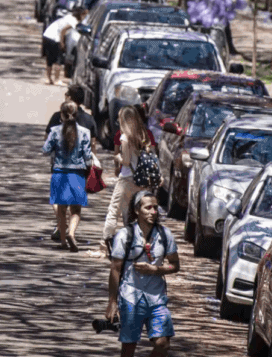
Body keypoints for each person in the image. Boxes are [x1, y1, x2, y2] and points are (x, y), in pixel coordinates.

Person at [104, 190, 180, 357]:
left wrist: (156, 269)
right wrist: (112, 302)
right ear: (137, 210)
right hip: (131, 297)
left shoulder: (165, 235)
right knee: (129, 347)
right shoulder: (125, 235)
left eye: (155, 208)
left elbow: (175, 265)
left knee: (163, 344)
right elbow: (115, 269)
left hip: (157, 299)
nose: (153, 212)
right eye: (148, 208)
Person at [45, 85, 99, 240]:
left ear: (69, 97)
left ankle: (61, 226)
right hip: (80, 167)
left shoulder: (57, 117)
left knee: (58, 200)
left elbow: (47, 143)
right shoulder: (88, 119)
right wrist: (91, 162)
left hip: (59, 166)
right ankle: (69, 231)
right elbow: (93, 144)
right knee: (75, 205)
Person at [97, 106, 151, 256]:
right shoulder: (143, 135)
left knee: (114, 211)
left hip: (127, 179)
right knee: (135, 213)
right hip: (141, 180)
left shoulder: (125, 137)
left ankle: (105, 244)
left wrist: (117, 157)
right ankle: (139, 244)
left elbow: (126, 161)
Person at [42, 6, 87, 85]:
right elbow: (63, 30)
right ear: (81, 14)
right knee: (58, 61)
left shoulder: (69, 17)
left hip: (47, 35)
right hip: (54, 38)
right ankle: (56, 79)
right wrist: (62, 43)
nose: (85, 17)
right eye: (85, 15)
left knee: (49, 59)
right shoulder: (74, 21)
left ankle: (49, 79)